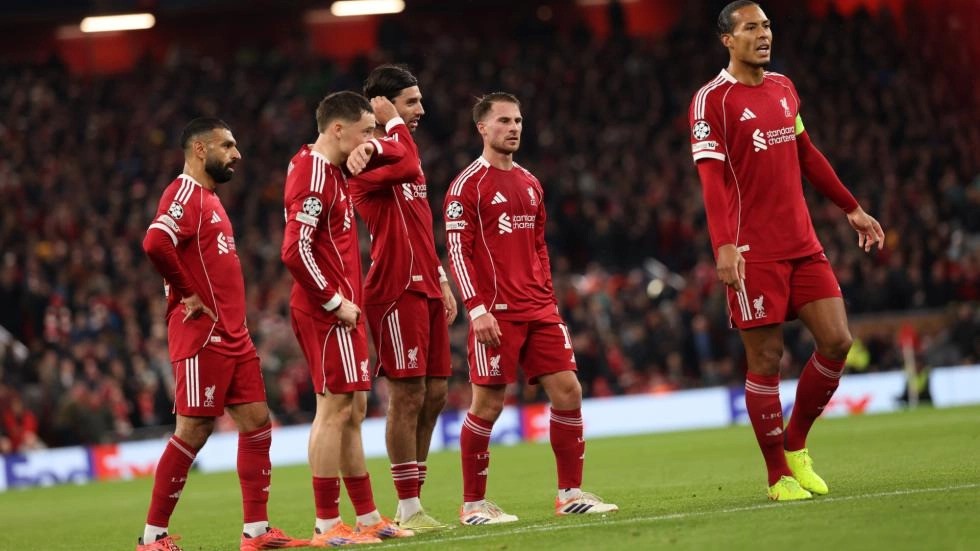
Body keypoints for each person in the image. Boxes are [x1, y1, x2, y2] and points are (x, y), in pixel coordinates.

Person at [689, 1, 885, 501]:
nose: (763, 33)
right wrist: (725, 246)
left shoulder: (783, 88)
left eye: (767, 25)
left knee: (838, 341)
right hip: (753, 252)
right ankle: (777, 475)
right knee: (767, 359)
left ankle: (795, 442)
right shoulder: (711, 101)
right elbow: (711, 182)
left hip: (802, 244)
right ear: (727, 40)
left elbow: (807, 154)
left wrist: (852, 208)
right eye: (751, 27)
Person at [444, 92, 619, 525]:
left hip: (539, 308)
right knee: (487, 404)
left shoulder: (530, 182)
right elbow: (457, 252)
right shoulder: (468, 186)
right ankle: (472, 506)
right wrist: (477, 308)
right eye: (504, 121)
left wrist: (548, 296)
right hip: (495, 312)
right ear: (482, 128)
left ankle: (570, 493)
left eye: (518, 120)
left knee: (569, 392)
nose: (514, 128)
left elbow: (539, 245)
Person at [138, 118, 305, 550]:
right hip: (202, 336)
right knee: (193, 430)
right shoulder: (184, 194)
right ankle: (152, 538)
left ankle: (256, 532)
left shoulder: (210, 199)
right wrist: (187, 293)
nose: (237, 154)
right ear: (199, 149)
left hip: (236, 336)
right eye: (227, 146)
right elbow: (155, 242)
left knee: (256, 423)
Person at [280, 91, 413, 545]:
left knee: (353, 410)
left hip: (344, 309)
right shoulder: (314, 174)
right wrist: (334, 302)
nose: (369, 138)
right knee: (333, 410)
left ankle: (368, 516)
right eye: (365, 131)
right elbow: (293, 250)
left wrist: (381, 140)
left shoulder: (333, 170)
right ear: (338, 130)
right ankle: (325, 523)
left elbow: (407, 159)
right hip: (327, 310)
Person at [349, 64, 456, 531]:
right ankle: (408, 505)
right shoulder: (367, 154)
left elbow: (418, 223)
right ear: (383, 104)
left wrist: (441, 275)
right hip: (394, 289)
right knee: (407, 395)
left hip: (426, 283)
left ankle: (413, 501)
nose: (421, 110)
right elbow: (407, 163)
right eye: (411, 101)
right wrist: (387, 123)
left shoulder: (398, 148)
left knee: (436, 394)